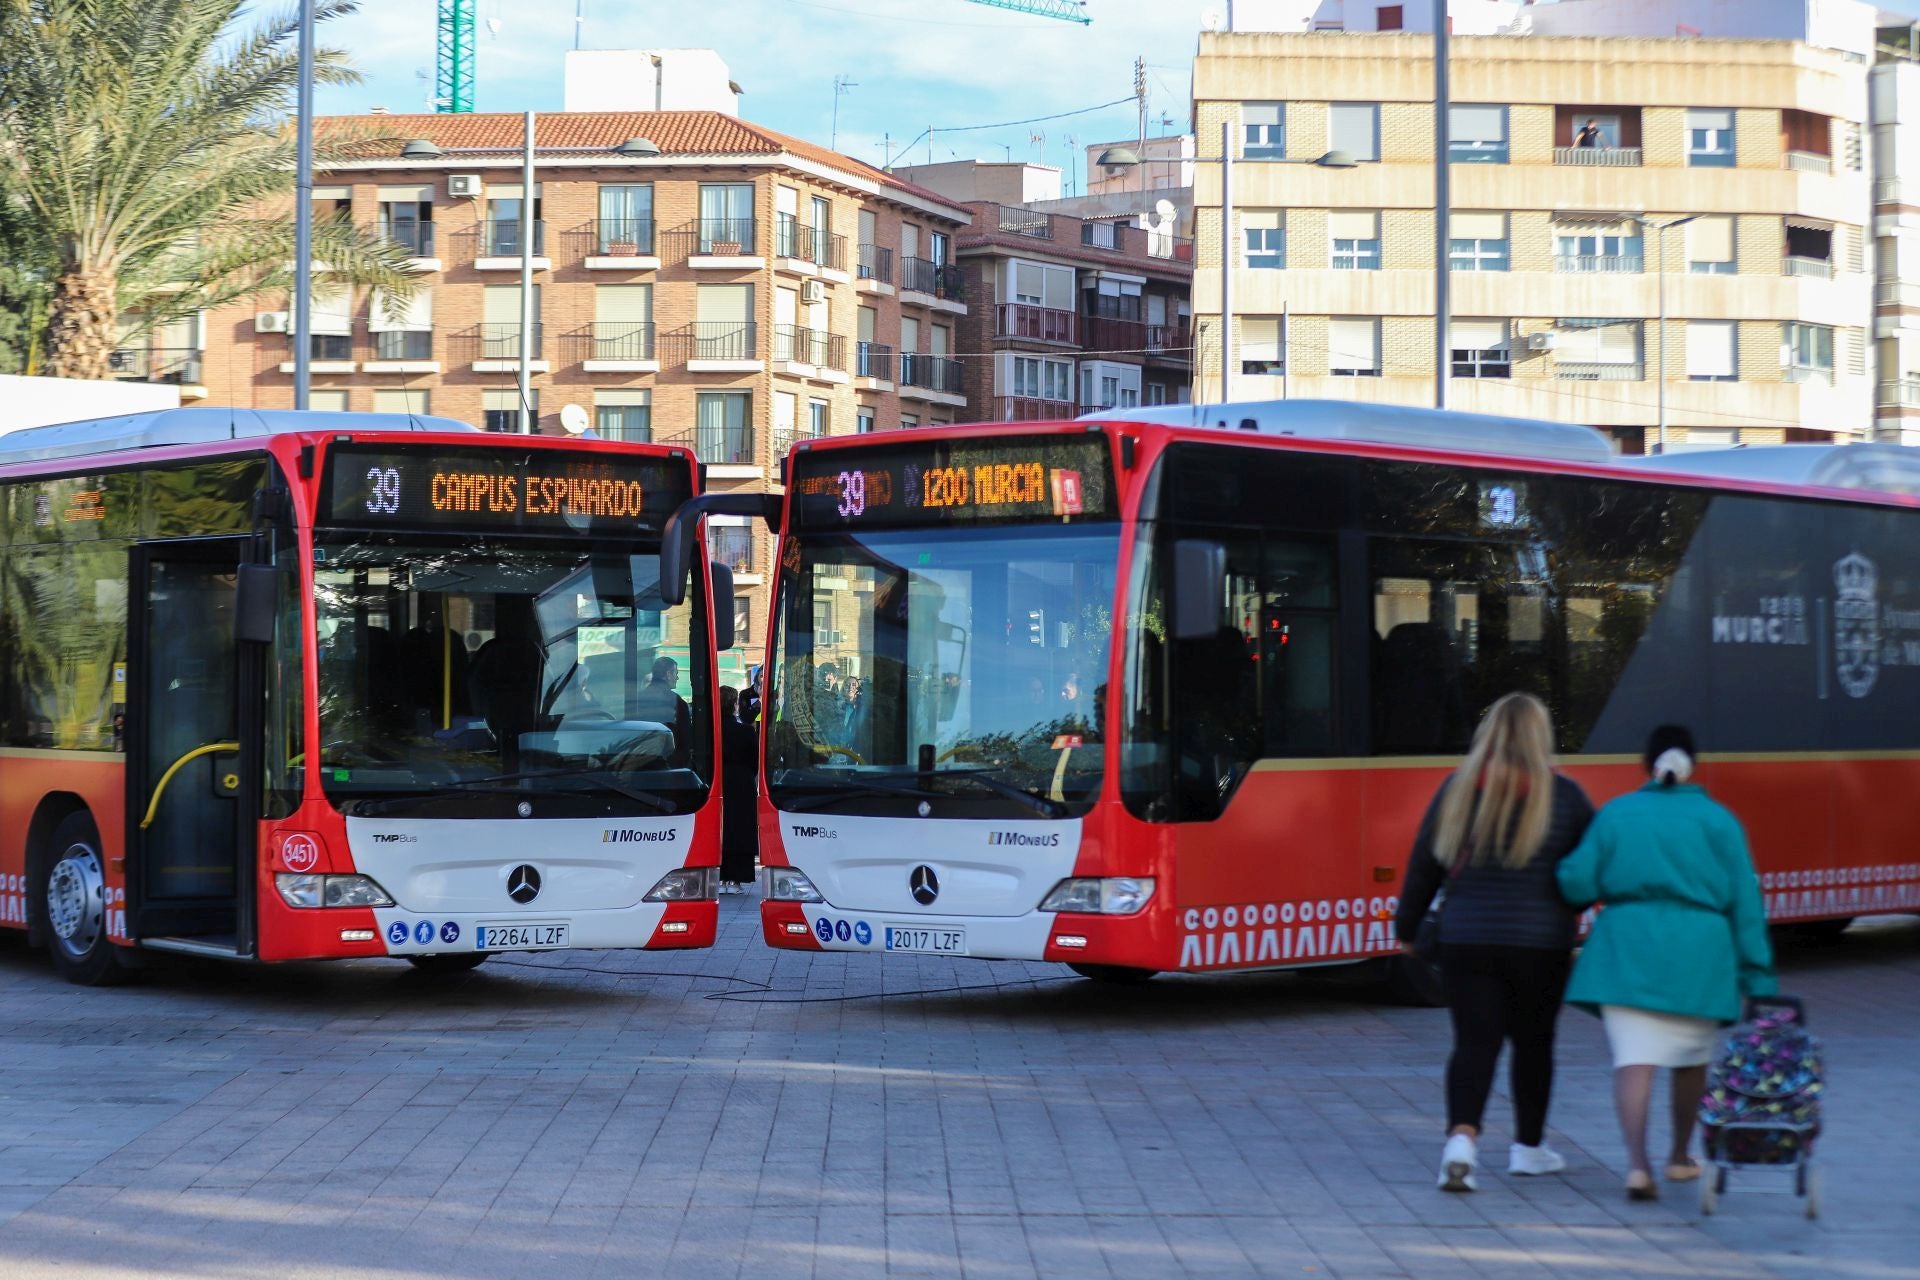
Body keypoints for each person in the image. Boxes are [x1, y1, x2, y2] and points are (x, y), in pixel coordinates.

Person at [1557, 724, 1777, 1202]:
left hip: (1625, 953)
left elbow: (1576, 883)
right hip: (1700, 957)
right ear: (1692, 765)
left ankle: (1637, 1166)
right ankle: (1678, 1156)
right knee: (1691, 1060)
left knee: (1634, 1061)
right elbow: (1745, 902)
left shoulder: (1617, 814)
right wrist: (1758, 975)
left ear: (1646, 765)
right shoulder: (1720, 821)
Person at [1394, 692, 1596, 1193]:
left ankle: (1461, 1143)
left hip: (1466, 939)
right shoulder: (1565, 795)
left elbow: (1424, 866)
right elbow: (1589, 868)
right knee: (1534, 1044)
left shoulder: (1458, 791)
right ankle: (1528, 1149)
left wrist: (1407, 931)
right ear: (1539, 736)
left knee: (1473, 1044)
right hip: (1540, 943)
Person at [718, 686, 760, 894]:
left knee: (721, 828)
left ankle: (721, 877)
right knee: (740, 829)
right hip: (742, 783)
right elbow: (755, 761)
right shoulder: (745, 731)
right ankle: (736, 880)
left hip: (718, 782)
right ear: (734, 705)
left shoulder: (711, 731)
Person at [633, 656, 693, 765]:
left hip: (640, 762)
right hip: (667, 764)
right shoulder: (677, 702)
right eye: (676, 673)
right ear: (668, 674)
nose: (677, 678)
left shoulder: (636, 699)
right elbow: (686, 741)